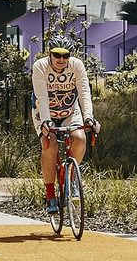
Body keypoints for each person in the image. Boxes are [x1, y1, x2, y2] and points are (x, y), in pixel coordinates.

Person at [32, 45, 95, 213]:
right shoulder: (40, 66)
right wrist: (46, 121)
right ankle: (50, 195)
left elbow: (84, 92)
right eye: (57, 55)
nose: (61, 60)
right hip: (44, 111)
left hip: (69, 111)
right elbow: (42, 98)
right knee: (49, 144)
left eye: (65, 55)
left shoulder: (76, 66)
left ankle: (71, 179)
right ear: (49, 55)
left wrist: (89, 117)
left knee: (80, 138)